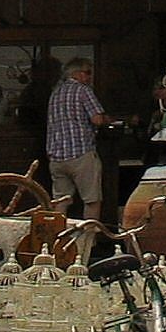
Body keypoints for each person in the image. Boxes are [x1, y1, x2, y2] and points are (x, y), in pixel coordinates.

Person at [43, 58, 110, 222]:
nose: (90, 77)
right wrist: (107, 119)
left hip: (57, 156)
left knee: (61, 201)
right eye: (87, 72)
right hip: (80, 153)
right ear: (77, 73)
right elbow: (97, 119)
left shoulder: (55, 93)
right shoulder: (82, 90)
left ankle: (58, 234)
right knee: (92, 200)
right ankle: (89, 235)